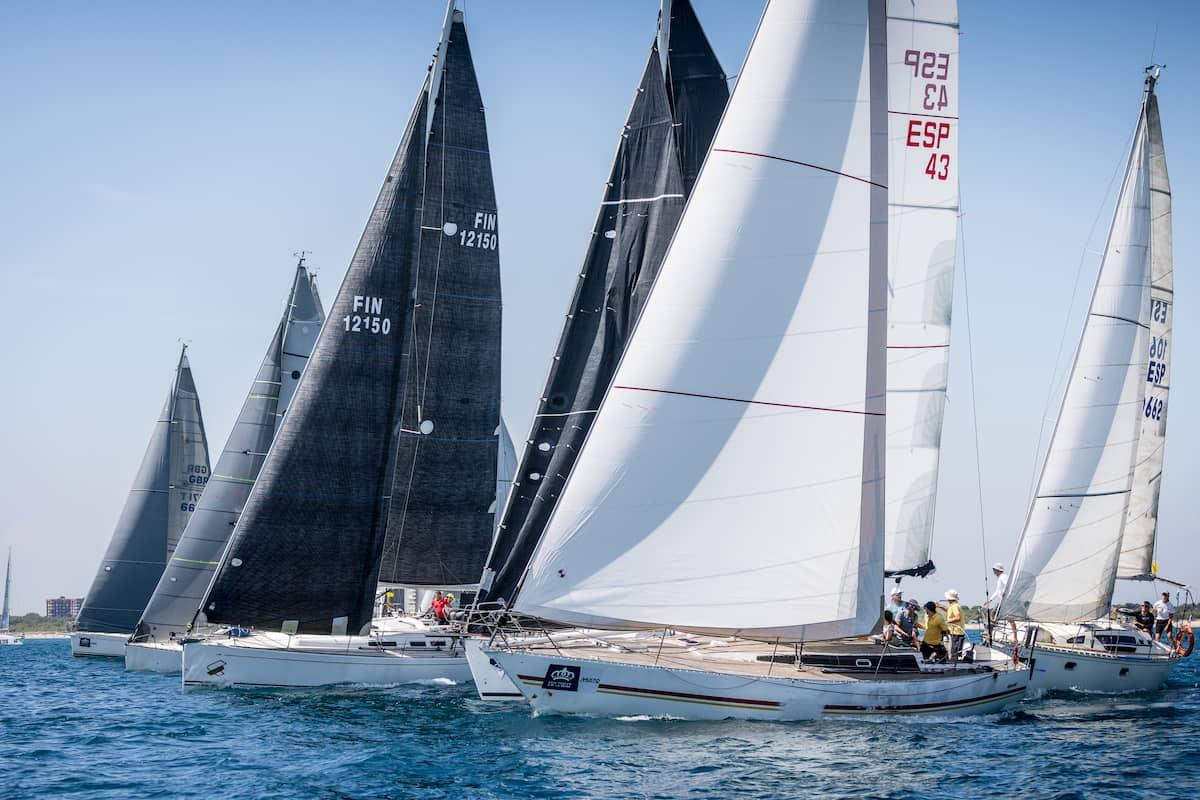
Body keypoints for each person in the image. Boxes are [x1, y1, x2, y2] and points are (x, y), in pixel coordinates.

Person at [944, 589, 965, 662]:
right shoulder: (955, 605)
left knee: (954, 652)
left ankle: (954, 666)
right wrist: (942, 607)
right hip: (957, 632)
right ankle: (955, 663)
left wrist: (947, 621)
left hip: (956, 632)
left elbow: (957, 617)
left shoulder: (954, 606)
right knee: (956, 652)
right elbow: (951, 611)